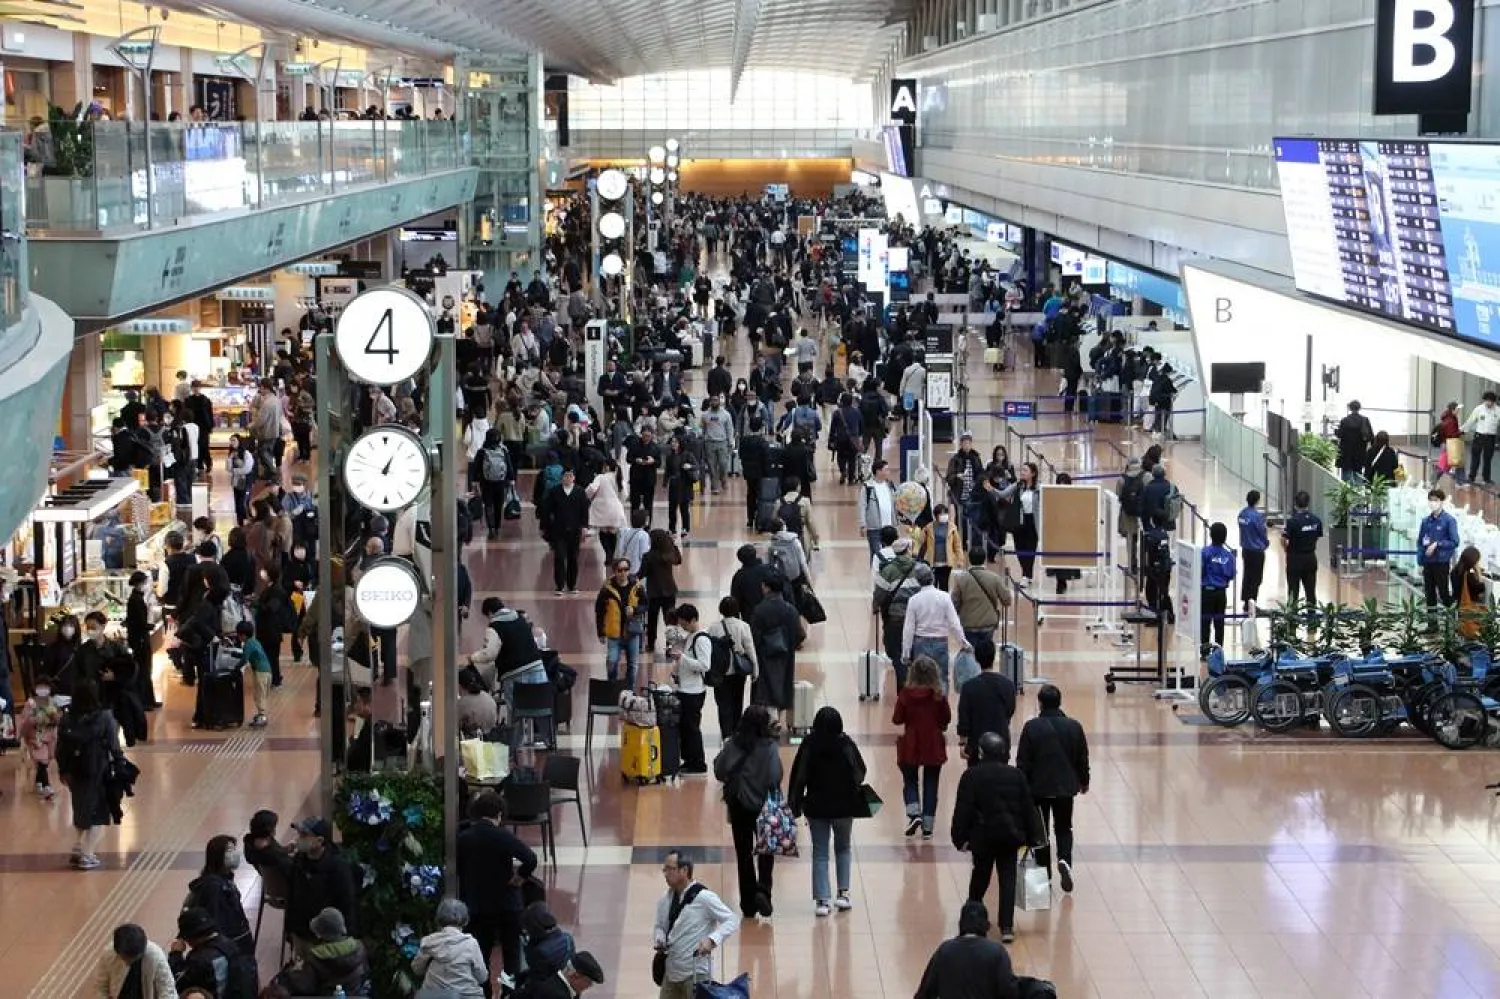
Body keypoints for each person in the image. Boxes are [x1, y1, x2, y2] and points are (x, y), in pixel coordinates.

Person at [951, 731, 1042, 943]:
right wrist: (1033, 836)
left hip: (982, 837)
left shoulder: (971, 776)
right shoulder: (1016, 776)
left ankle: (972, 918)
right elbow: (1028, 807)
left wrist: (959, 837)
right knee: (1008, 878)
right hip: (1010, 836)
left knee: (980, 876)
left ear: (981, 752)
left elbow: (963, 809)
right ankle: (1007, 926)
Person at [786, 706, 867, 916]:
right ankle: (843, 893)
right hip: (844, 806)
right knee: (843, 848)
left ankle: (822, 900)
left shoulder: (809, 744)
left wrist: (794, 805)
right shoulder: (845, 744)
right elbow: (860, 771)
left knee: (820, 852)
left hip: (816, 806)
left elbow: (799, 776)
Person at [456, 790, 537, 990]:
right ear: (499, 814)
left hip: (477, 905)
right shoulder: (503, 836)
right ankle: (510, 992)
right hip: (507, 904)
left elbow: (458, 868)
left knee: (480, 954)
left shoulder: (464, 838)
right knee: (511, 954)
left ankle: (483, 993)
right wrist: (519, 877)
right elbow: (530, 858)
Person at [1016, 684, 1090, 896]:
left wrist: (1022, 789)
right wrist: (1084, 781)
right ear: (1059, 702)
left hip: (1038, 788)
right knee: (1064, 827)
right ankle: (1064, 860)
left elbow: (1023, 762)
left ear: (1040, 703)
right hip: (1065, 788)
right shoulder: (1074, 726)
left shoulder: (1031, 728)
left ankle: (1044, 875)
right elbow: (1082, 758)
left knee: (1041, 833)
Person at [712, 705, 783, 919]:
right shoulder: (769, 747)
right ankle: (763, 890)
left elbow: (719, 770)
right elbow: (774, 776)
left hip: (739, 805)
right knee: (766, 850)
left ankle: (748, 903)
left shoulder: (734, 744)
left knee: (743, 854)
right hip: (764, 806)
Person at [57, 678, 125, 870]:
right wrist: (119, 764)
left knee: (80, 807)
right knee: (99, 813)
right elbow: (113, 745)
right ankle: (87, 854)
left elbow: (60, 747)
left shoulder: (67, 718)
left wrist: (63, 770)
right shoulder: (104, 717)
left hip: (74, 770)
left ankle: (78, 846)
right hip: (97, 769)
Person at [652, 850, 739, 999]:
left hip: (696, 973)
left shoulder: (704, 898)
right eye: (664, 869)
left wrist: (712, 940)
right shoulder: (665, 900)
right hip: (671, 973)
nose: (666, 874)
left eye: (670, 869)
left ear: (684, 870)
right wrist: (659, 938)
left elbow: (732, 920)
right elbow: (660, 926)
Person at [913, 900, 1021, 999]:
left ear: (961, 924)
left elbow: (925, 993)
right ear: (986, 926)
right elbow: (1009, 991)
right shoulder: (997, 952)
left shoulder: (945, 950)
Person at [894, 655, 951, 839]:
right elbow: (946, 719)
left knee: (910, 779)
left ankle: (913, 813)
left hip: (911, 742)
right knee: (931, 783)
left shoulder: (905, 694)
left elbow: (897, 719)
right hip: (933, 742)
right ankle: (928, 826)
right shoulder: (938, 696)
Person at [285, 817, 358, 944]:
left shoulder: (337, 867)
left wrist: (345, 936)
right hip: (301, 932)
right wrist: (290, 928)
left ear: (320, 841)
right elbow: (292, 896)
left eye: (304, 835)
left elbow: (347, 902)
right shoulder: (298, 861)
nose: (299, 839)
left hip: (327, 938)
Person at [902, 563, 971, 696]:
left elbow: (908, 629)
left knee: (921, 679)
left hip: (920, 643)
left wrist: (906, 652)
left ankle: (924, 708)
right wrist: (963, 643)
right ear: (932, 578)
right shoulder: (944, 597)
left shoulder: (914, 600)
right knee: (942, 678)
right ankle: (941, 706)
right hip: (941, 642)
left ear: (918, 581)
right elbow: (954, 623)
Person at [182, 834, 254, 957]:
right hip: (230, 945)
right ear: (218, 855)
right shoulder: (213, 886)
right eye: (229, 850)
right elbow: (214, 919)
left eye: (234, 849)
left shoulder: (223, 880)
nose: (235, 854)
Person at [278, 906, 369, 996]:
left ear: (321, 934)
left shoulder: (316, 957)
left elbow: (304, 985)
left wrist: (288, 973)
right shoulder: (359, 948)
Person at [168, 907, 256, 999]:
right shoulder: (230, 945)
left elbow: (176, 983)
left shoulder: (199, 960)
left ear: (190, 937)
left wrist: (176, 955)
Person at [413, 898, 488, 999]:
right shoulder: (471, 943)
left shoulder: (429, 942)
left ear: (439, 919)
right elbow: (482, 977)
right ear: (465, 920)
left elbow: (417, 969)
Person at [874, 533, 923, 689]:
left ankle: (903, 691)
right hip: (917, 619)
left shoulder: (888, 570)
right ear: (907, 550)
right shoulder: (920, 568)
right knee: (915, 653)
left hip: (896, 619)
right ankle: (917, 687)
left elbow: (879, 594)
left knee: (897, 655)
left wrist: (875, 607)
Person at [749, 575, 800, 724]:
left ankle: (769, 720)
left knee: (766, 686)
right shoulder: (791, 610)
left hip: (765, 654)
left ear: (767, 588)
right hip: (786, 655)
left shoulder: (759, 610)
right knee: (783, 684)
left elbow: (755, 636)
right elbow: (799, 633)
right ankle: (777, 717)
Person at [956, 642, 1016, 765]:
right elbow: (1010, 710)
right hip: (1001, 738)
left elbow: (964, 716)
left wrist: (963, 742)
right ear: (994, 657)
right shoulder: (1008, 684)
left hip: (975, 743)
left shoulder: (968, 687)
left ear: (976, 658)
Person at [709, 596, 758, 740]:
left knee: (723, 704)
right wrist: (755, 669)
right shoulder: (743, 626)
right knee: (737, 701)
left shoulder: (713, 627)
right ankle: (736, 731)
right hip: (738, 670)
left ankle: (726, 734)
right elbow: (750, 648)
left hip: (720, 671)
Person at [949, 545, 1010, 661]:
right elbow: (1006, 599)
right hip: (988, 623)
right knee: (986, 656)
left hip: (968, 624)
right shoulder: (994, 578)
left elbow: (954, 603)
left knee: (970, 656)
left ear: (969, 559)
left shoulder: (961, 579)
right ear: (984, 559)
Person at [595, 558, 645, 689]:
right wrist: (600, 632)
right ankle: (612, 688)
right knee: (612, 661)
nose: (623, 573)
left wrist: (635, 610)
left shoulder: (637, 586)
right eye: (620, 570)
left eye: (626, 569)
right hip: (614, 633)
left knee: (633, 664)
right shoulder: (607, 589)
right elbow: (599, 611)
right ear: (615, 571)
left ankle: (629, 690)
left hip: (632, 632)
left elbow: (645, 604)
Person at [539, 467, 589, 595]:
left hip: (575, 530)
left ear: (574, 477)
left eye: (570, 475)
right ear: (562, 477)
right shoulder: (555, 492)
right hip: (558, 530)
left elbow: (584, 511)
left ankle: (572, 585)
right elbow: (546, 510)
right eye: (565, 476)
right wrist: (543, 527)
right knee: (559, 557)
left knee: (573, 558)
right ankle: (559, 585)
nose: (568, 478)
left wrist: (584, 526)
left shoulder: (580, 492)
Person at [95, 923, 177, 999]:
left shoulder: (156, 957)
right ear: (117, 952)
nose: (127, 963)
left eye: (132, 959)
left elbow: (167, 990)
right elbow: (101, 987)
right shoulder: (108, 954)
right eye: (124, 958)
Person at [1418, 488, 1461, 624]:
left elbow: (1455, 542)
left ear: (1442, 502)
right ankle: (1432, 624)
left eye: (1435, 500)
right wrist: (1420, 561)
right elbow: (1420, 542)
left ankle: (1456, 618)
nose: (1432, 503)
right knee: (1429, 594)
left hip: (1441, 562)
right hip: (1428, 563)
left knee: (1443, 593)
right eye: (1430, 500)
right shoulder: (1426, 521)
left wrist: (1438, 544)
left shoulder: (1449, 521)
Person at [641, 529, 682, 653]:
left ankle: (651, 644)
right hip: (669, 591)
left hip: (654, 593)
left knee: (652, 620)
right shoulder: (669, 555)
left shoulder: (648, 556)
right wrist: (672, 543)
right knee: (670, 620)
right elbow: (679, 560)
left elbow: (642, 573)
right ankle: (670, 646)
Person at [19, 677, 61, 797]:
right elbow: (24, 722)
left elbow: (59, 718)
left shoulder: (53, 703)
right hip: (35, 737)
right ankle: (47, 786)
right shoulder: (30, 703)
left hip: (50, 737)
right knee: (41, 760)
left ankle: (39, 782)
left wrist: (54, 718)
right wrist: (34, 720)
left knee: (45, 761)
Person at [998, 463, 1040, 582]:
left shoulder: (1038, 488)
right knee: (1020, 549)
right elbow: (1003, 494)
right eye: (1021, 470)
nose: (1022, 472)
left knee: (1030, 550)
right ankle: (1027, 574)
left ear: (1033, 473)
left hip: (1032, 522)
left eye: (1025, 470)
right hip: (1019, 521)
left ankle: (1026, 575)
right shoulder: (1017, 485)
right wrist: (991, 489)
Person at [1282, 490, 1323, 610]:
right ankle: (1312, 622)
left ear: (1295, 504)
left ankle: (1292, 621)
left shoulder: (1292, 521)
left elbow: (1283, 539)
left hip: (1295, 558)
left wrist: (1287, 550)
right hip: (1310, 557)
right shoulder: (1316, 520)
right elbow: (1317, 537)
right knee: (1311, 591)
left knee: (1293, 592)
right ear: (1308, 503)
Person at [1200, 522, 1236, 651]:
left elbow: (1201, 571)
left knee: (1205, 622)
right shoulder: (1229, 556)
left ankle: (1204, 651)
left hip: (1206, 592)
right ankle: (1218, 651)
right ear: (1225, 537)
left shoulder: (1204, 552)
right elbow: (1231, 574)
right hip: (1221, 593)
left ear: (1210, 535)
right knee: (1219, 623)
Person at [585, 459, 627, 566]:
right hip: (615, 509)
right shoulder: (619, 478)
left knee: (603, 532)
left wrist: (588, 496)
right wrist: (618, 501)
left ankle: (608, 554)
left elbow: (591, 489)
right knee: (613, 532)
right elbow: (625, 495)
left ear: (607, 467)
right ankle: (612, 554)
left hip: (601, 509)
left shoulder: (600, 477)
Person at [915, 503, 966, 591]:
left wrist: (960, 559)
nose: (944, 516)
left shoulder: (952, 528)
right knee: (932, 585)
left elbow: (957, 545)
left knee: (944, 585)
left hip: (947, 562)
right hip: (932, 561)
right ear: (936, 515)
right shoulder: (928, 527)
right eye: (941, 514)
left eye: (945, 513)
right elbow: (920, 541)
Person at [519, 951, 606, 998]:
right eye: (588, 981)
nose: (589, 986)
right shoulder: (555, 994)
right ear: (574, 975)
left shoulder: (570, 988)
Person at [1237, 490, 1268, 611]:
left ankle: (1246, 601)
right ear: (1257, 500)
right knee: (1256, 578)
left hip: (1246, 550)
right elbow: (1262, 532)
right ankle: (1252, 603)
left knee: (1247, 575)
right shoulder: (1256, 516)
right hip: (1256, 551)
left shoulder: (1242, 514)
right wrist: (1266, 543)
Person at [1463, 393, 1500, 484]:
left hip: (1491, 437)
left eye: (1491, 401)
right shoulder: (1478, 409)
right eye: (1487, 401)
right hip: (1479, 436)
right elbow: (1470, 420)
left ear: (1494, 401)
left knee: (1488, 458)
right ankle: (1472, 477)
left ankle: (1486, 478)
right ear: (1484, 400)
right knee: (1475, 457)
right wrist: (1462, 430)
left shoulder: (1498, 410)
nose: (1489, 403)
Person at [1334, 400, 1375, 482]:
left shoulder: (1345, 420)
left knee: (1346, 478)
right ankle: (1358, 492)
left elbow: (1340, 434)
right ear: (1359, 408)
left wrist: (1336, 431)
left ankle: (1346, 493)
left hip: (1346, 453)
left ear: (1350, 408)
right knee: (1358, 475)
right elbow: (1370, 437)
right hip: (1360, 453)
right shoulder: (1365, 420)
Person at [627, 425, 660, 522]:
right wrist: (636, 460)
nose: (646, 438)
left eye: (648, 436)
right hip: (636, 478)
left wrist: (653, 461)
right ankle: (634, 523)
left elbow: (659, 462)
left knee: (648, 504)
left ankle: (647, 524)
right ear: (641, 435)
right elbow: (628, 458)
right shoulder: (634, 445)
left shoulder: (655, 447)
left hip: (649, 479)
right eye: (644, 435)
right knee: (635, 503)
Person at [1454, 545, 1487, 640]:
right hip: (1470, 609)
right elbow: (1480, 588)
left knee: (1463, 630)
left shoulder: (1455, 571)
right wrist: (1478, 573)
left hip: (1459, 606)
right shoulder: (1468, 576)